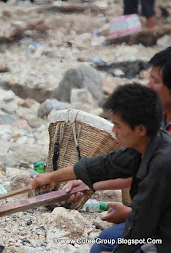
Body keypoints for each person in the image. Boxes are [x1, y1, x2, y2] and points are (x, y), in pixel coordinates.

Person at [31, 83, 171, 252]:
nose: (113, 131)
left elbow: (140, 227)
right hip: (153, 227)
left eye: (118, 126)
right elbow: (104, 164)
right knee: (103, 242)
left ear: (140, 129)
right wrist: (52, 177)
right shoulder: (147, 144)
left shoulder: (162, 165)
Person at [64, 47, 171, 252]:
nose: (148, 86)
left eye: (155, 81)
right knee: (106, 239)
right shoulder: (156, 118)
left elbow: (154, 179)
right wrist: (88, 181)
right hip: (153, 209)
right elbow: (133, 164)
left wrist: (132, 215)